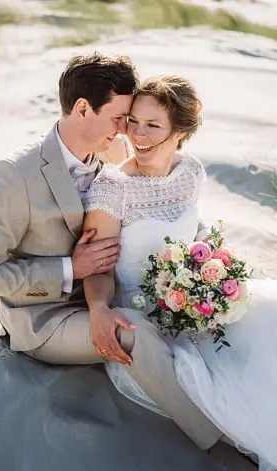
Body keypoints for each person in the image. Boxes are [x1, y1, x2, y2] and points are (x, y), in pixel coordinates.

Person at [0, 53, 224, 453]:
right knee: (134, 335)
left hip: (118, 294)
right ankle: (216, 438)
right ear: (83, 109)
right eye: (120, 118)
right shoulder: (14, 175)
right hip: (49, 316)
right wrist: (70, 268)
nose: (127, 132)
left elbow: (166, 206)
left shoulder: (113, 152)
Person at [87, 74, 273, 468]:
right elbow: (97, 265)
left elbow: (194, 228)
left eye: (153, 125)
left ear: (181, 133)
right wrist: (98, 307)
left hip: (198, 304)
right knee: (220, 390)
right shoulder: (112, 188)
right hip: (143, 316)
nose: (138, 134)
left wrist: (217, 270)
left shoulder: (189, 171)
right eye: (133, 122)